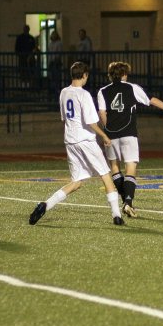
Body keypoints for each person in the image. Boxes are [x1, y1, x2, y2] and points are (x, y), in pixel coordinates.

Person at [28, 61, 125, 226]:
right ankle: (116, 215)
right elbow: (91, 123)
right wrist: (104, 136)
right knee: (106, 175)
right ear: (85, 75)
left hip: (70, 141)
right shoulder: (84, 94)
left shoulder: (64, 93)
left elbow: (64, 118)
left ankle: (45, 205)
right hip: (85, 140)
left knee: (76, 183)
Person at [97, 61, 163, 217]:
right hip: (129, 133)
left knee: (115, 167)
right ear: (125, 74)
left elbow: (102, 114)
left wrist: (107, 131)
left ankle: (126, 200)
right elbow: (151, 100)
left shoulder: (102, 91)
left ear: (110, 75)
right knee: (130, 167)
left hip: (111, 134)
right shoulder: (132, 87)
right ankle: (128, 202)